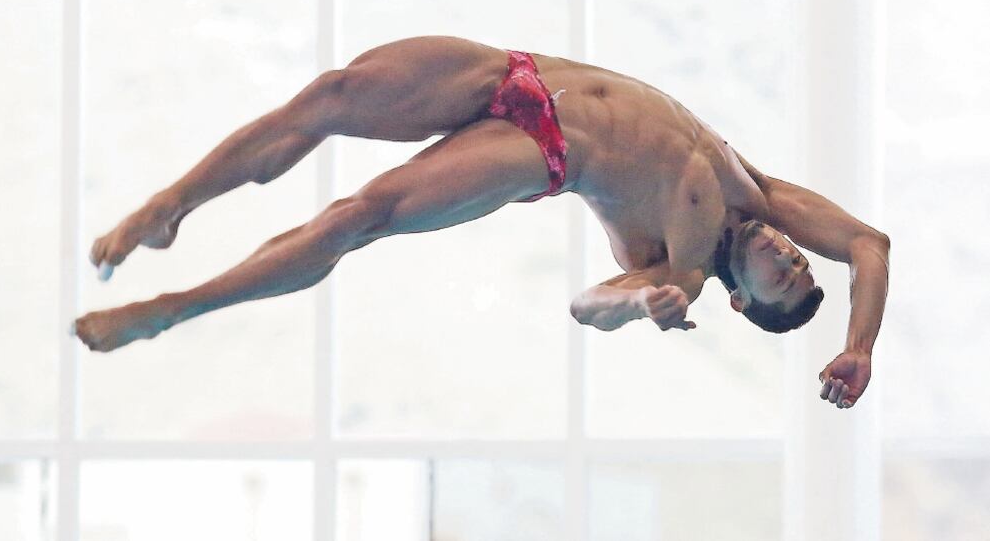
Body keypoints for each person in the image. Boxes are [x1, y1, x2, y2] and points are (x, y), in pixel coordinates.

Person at [73, 35, 890, 409]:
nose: (791, 255)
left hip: (536, 149)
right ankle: (166, 209)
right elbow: (867, 245)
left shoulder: (671, 268)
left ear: (740, 300)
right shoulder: (764, 196)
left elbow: (585, 306)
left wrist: (641, 305)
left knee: (358, 217)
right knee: (327, 97)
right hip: (516, 73)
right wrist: (856, 348)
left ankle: (168, 309)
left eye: (783, 278)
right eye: (800, 263)